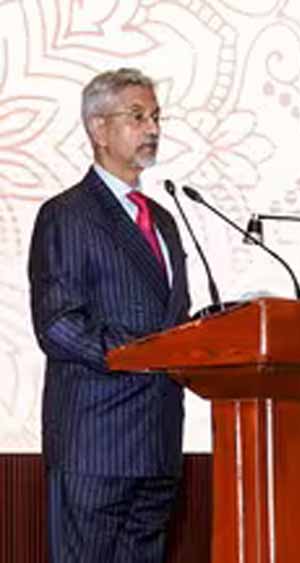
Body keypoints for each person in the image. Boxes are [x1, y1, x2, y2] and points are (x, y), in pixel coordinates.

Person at [28, 68, 190, 563]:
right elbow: (58, 326)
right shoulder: (67, 214)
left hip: (158, 443)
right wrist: (146, 354)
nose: (153, 128)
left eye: (156, 117)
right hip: (97, 443)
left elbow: (173, 318)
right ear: (98, 129)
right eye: (137, 116)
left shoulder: (163, 219)